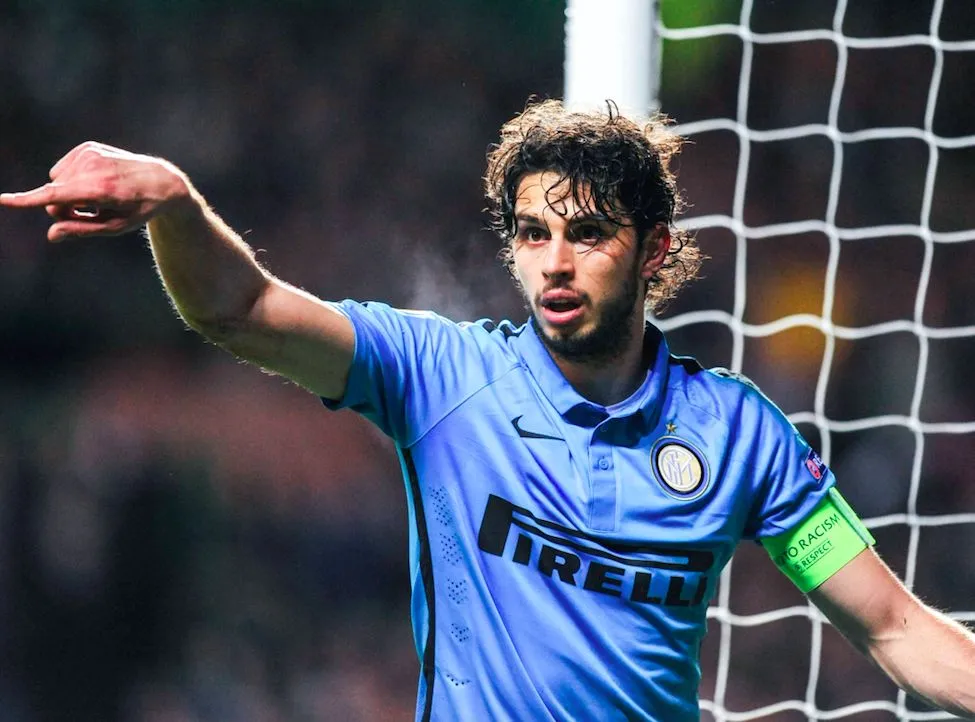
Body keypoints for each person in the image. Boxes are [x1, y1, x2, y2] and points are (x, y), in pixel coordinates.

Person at [2, 100, 974, 721]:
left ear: (653, 249)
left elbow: (892, 626)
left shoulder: (738, 434)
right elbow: (241, 308)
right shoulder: (443, 375)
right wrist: (174, 203)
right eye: (532, 233)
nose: (554, 261)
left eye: (587, 233)